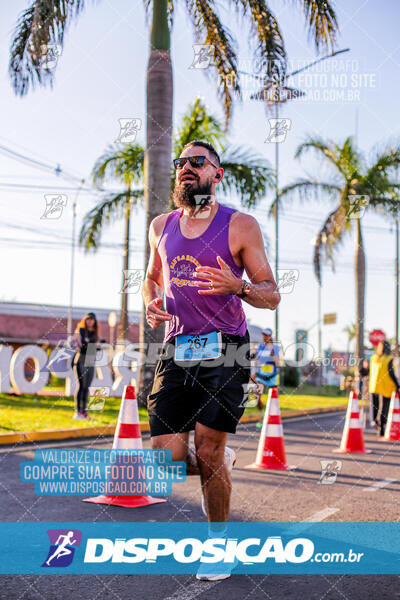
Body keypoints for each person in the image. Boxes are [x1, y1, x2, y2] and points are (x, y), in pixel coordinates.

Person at [143, 140, 280, 580]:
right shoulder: (161, 225)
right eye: (182, 162)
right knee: (167, 459)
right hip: (176, 348)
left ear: (216, 174)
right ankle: (218, 461)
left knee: (207, 448)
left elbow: (271, 295)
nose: (186, 168)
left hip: (227, 348)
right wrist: (150, 302)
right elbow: (150, 278)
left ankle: (218, 546)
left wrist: (236, 287)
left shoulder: (240, 226)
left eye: (197, 161)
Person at [369, 340, 400, 437]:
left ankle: (376, 424)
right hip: (385, 386)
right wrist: (397, 385)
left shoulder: (374, 358)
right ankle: (381, 427)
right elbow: (391, 373)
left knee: (376, 407)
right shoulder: (388, 359)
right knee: (384, 408)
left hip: (374, 386)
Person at [72, 312, 99, 420]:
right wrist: (89, 345)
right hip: (81, 360)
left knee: (87, 387)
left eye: (92, 319)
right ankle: (77, 411)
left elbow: (96, 347)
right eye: (88, 319)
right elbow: (80, 347)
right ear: (85, 320)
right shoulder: (80, 331)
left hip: (90, 361)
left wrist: (88, 345)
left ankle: (84, 411)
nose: (90, 321)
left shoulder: (95, 334)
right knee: (81, 386)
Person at [251, 328, 280, 412]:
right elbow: (256, 361)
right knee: (257, 396)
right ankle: (262, 413)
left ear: (270, 336)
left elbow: (277, 363)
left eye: (267, 335)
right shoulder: (259, 347)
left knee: (273, 400)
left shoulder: (275, 347)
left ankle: (271, 415)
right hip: (261, 375)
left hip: (272, 376)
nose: (265, 337)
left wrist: (273, 353)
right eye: (264, 335)